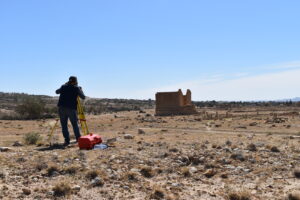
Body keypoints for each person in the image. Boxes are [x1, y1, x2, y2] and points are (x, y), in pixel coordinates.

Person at [56, 76, 85, 146]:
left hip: (61, 108)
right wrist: (80, 89)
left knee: (64, 125)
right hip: (71, 109)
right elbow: (83, 97)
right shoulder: (76, 88)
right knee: (75, 124)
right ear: (75, 81)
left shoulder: (63, 86)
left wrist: (64, 86)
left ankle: (67, 141)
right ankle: (78, 139)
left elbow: (57, 92)